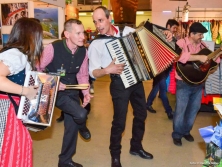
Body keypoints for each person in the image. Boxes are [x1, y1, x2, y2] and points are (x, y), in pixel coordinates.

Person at [88, 6, 172, 167]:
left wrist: (165, 33)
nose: (98, 25)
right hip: (118, 84)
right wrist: (107, 69)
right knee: (119, 122)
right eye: (95, 21)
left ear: (109, 18)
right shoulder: (96, 44)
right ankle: (115, 155)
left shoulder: (126, 30)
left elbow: (149, 37)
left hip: (137, 80)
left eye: (100, 20)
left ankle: (136, 146)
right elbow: (93, 72)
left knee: (141, 115)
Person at [37, 19, 93, 167]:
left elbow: (82, 75)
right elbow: (37, 69)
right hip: (55, 92)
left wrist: (86, 93)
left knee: (71, 126)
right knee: (81, 114)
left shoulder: (83, 51)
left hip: (72, 90)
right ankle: (83, 125)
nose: (83, 37)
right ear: (67, 34)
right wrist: (53, 82)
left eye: (83, 33)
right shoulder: (52, 48)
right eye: (78, 33)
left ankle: (65, 161)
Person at [0, 17, 43, 167]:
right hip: (7, 112)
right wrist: (26, 91)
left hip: (11, 109)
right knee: (12, 151)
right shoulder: (16, 55)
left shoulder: (16, 54)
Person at [172, 22, 222, 146]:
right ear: (192, 34)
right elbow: (178, 57)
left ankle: (186, 131)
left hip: (198, 84)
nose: (201, 37)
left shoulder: (203, 45)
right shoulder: (181, 43)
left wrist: (216, 56)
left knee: (194, 109)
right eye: (199, 34)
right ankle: (177, 134)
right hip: (183, 83)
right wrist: (199, 57)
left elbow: (213, 60)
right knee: (180, 110)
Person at [146, 19, 179, 120]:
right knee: (163, 90)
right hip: (159, 69)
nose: (175, 31)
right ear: (168, 26)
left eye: (176, 29)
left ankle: (147, 104)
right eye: (174, 28)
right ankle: (169, 111)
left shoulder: (173, 39)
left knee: (156, 87)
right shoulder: (159, 34)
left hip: (167, 68)